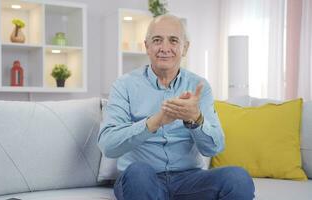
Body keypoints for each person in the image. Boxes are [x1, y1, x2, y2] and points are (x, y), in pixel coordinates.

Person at [98, 14, 255, 200]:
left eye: (173, 41)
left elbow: (215, 148)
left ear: (185, 48)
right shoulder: (124, 85)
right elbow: (108, 146)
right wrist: (154, 122)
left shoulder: (199, 87)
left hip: (190, 180)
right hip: (143, 179)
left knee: (238, 178)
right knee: (138, 173)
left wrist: (196, 119)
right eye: (157, 40)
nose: (165, 48)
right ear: (147, 47)